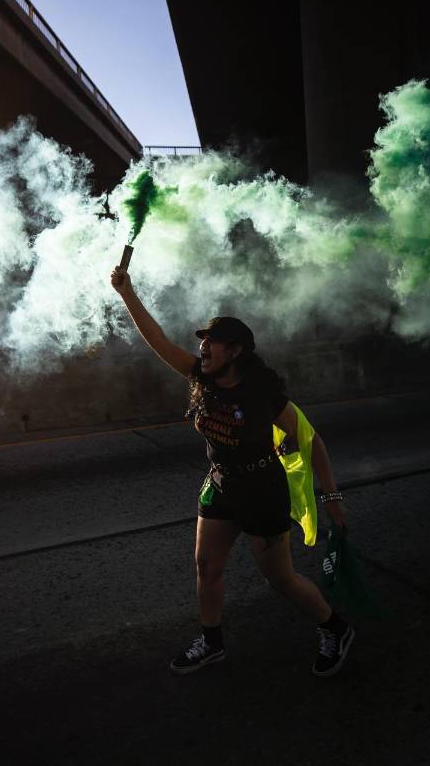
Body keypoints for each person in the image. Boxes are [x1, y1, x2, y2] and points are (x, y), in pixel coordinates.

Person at [110, 265, 354, 677]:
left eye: (213, 343)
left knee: (281, 580)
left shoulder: (261, 393)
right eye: (203, 343)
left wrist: (330, 497)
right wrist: (126, 293)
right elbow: (157, 339)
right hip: (221, 483)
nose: (203, 349)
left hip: (262, 490)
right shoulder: (201, 378)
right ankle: (212, 640)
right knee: (207, 567)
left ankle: (335, 626)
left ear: (236, 351)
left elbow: (312, 443)